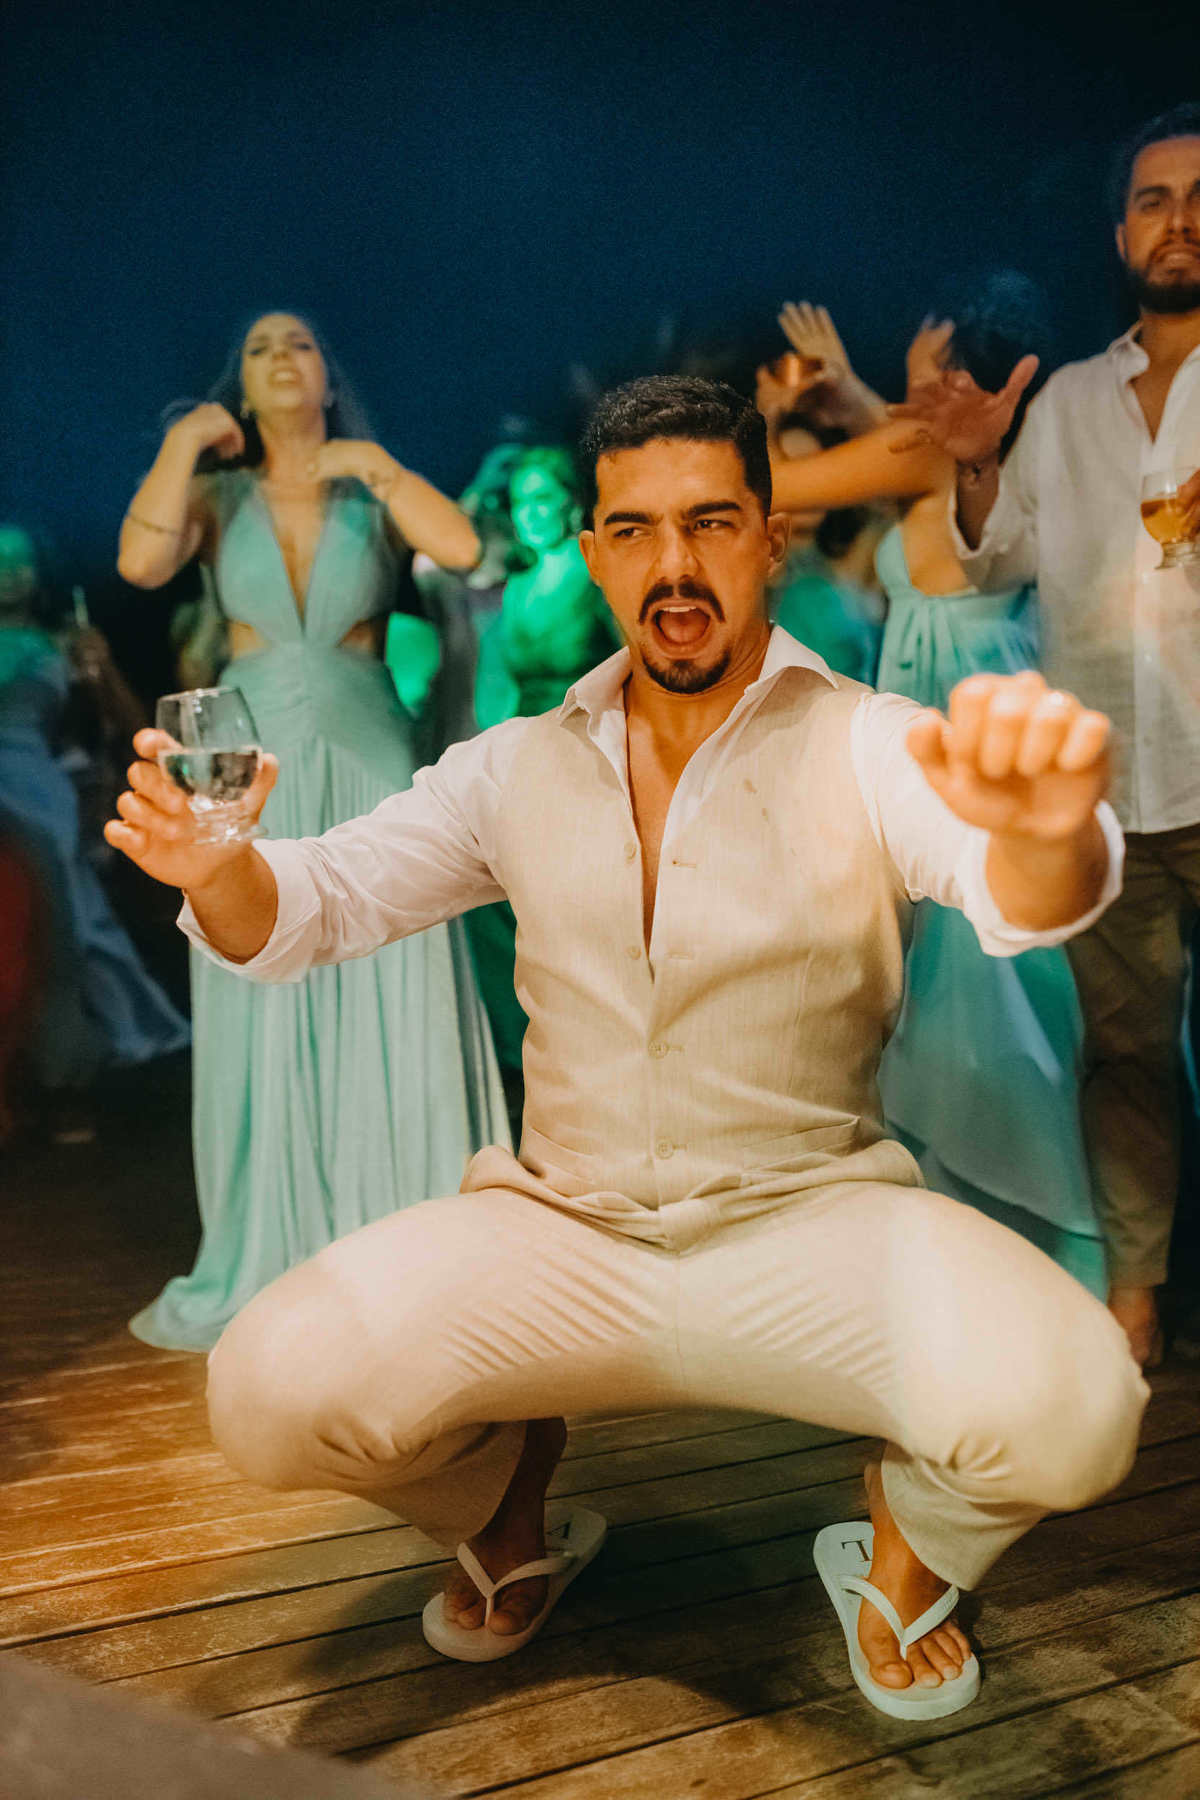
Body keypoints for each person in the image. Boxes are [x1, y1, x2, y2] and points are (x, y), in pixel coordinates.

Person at [107, 374, 1146, 1717]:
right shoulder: (513, 762)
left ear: (769, 539)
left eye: (711, 522)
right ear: (596, 553)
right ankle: (502, 1497)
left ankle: (904, 1539)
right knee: (262, 1389)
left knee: (1085, 1407)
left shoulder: (872, 741)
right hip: (562, 1235)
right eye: (637, 529)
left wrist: (1049, 830)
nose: (675, 565)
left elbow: (1016, 886)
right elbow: (314, 904)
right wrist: (218, 869)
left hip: (812, 1226)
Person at [116, 310, 508, 1350]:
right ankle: (282, 1250)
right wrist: (183, 440)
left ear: (327, 374)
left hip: (367, 740)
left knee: (396, 957)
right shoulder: (215, 496)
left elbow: (465, 550)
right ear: (241, 384)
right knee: (260, 961)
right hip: (246, 758)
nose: (281, 358)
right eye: (258, 349)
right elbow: (141, 565)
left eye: (298, 344)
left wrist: (376, 467)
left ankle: (416, 1239)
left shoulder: (372, 492)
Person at [895, 106, 1200, 1366]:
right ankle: (1136, 1298)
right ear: (1119, 233)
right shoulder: (1068, 402)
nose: (1178, 221)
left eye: (1199, 196)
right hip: (1112, 791)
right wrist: (974, 464)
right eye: (1153, 200)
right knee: (1124, 1055)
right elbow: (995, 557)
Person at [756, 283, 1105, 1294]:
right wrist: (853, 395)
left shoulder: (928, 449)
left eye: (922, 357)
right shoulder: (964, 453)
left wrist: (771, 415)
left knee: (978, 994)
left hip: (962, 720)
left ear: (956, 376)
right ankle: (1011, 1247)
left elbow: (776, 486)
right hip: (965, 692)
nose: (906, 374)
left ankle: (1030, 1250)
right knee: (976, 991)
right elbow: (904, 455)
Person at [0, 525, 189, 1144]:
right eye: (0, 563)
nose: (11, 575)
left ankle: (57, 1072)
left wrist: (98, 666)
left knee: (57, 918)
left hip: (37, 788)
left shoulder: (65, 643)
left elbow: (114, 727)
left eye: (21, 563)